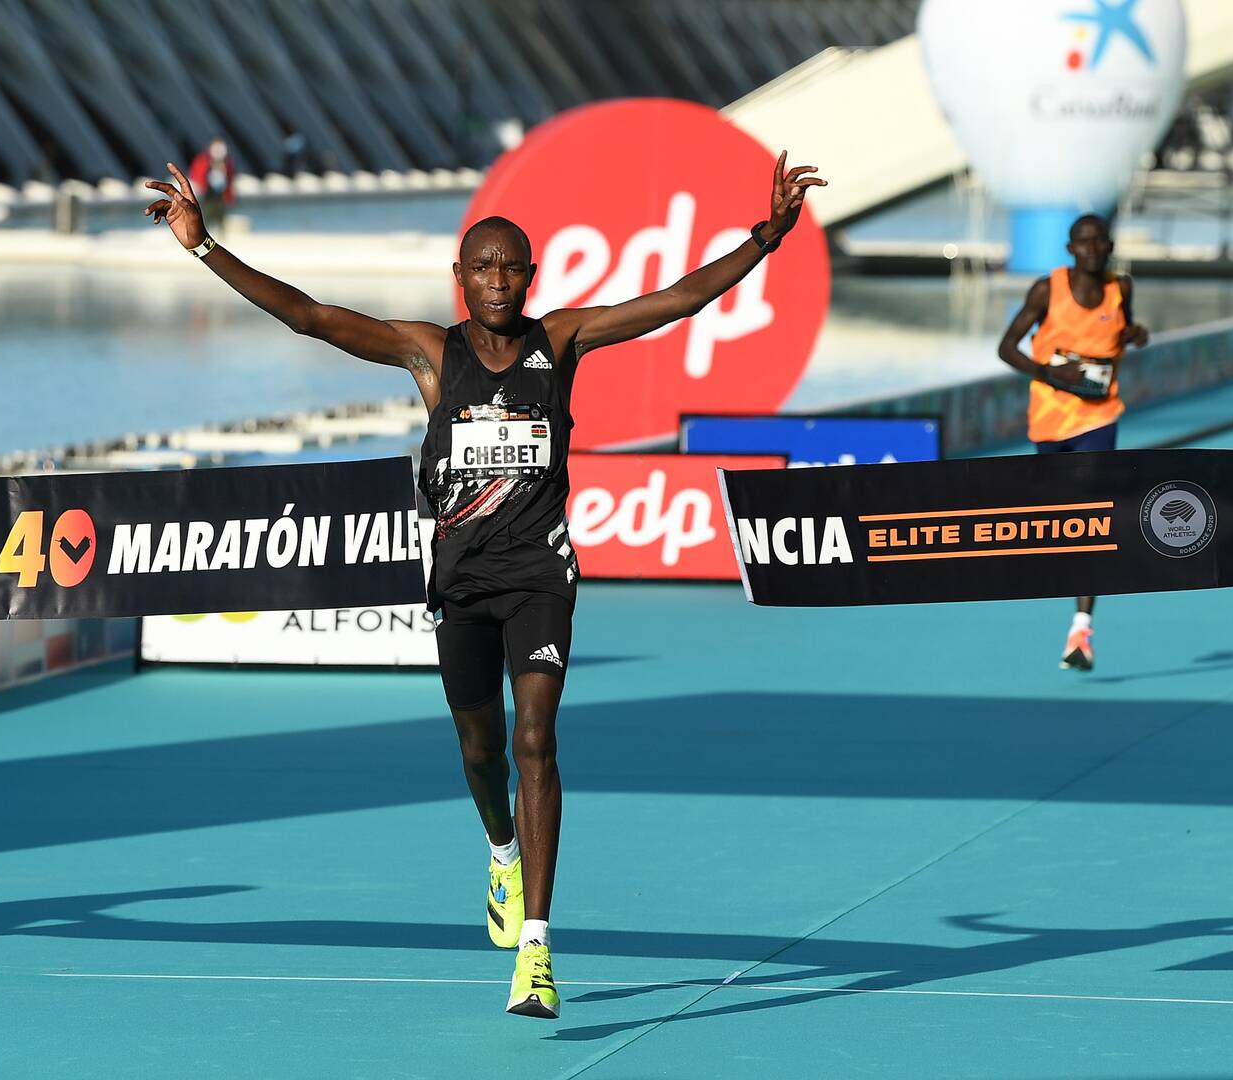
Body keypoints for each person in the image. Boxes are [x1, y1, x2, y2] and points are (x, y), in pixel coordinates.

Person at [146, 151, 824, 1020]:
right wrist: (204, 248)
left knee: (536, 740)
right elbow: (310, 317)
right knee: (482, 751)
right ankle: (501, 850)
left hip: (542, 574)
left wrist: (766, 237)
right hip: (461, 585)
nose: (498, 280)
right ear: (459, 277)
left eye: (512, 267)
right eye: (483, 267)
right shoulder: (429, 353)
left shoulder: (564, 340)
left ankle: (536, 951)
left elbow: (678, 299)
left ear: (531, 277)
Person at [996, 213, 1149, 672]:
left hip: (1099, 417)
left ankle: (1081, 627)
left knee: (1093, 516)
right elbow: (1006, 348)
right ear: (1069, 248)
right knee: (1061, 518)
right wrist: (1051, 372)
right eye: (1083, 241)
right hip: (1048, 421)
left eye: (1099, 240)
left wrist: (1134, 335)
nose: (1092, 247)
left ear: (1109, 244)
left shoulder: (1121, 288)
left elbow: (1122, 334)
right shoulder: (1048, 290)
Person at [186, 138, 237, 225]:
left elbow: (230, 180)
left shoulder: (227, 164)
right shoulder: (203, 161)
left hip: (221, 197)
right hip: (207, 196)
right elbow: (196, 175)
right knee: (207, 218)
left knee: (221, 219)